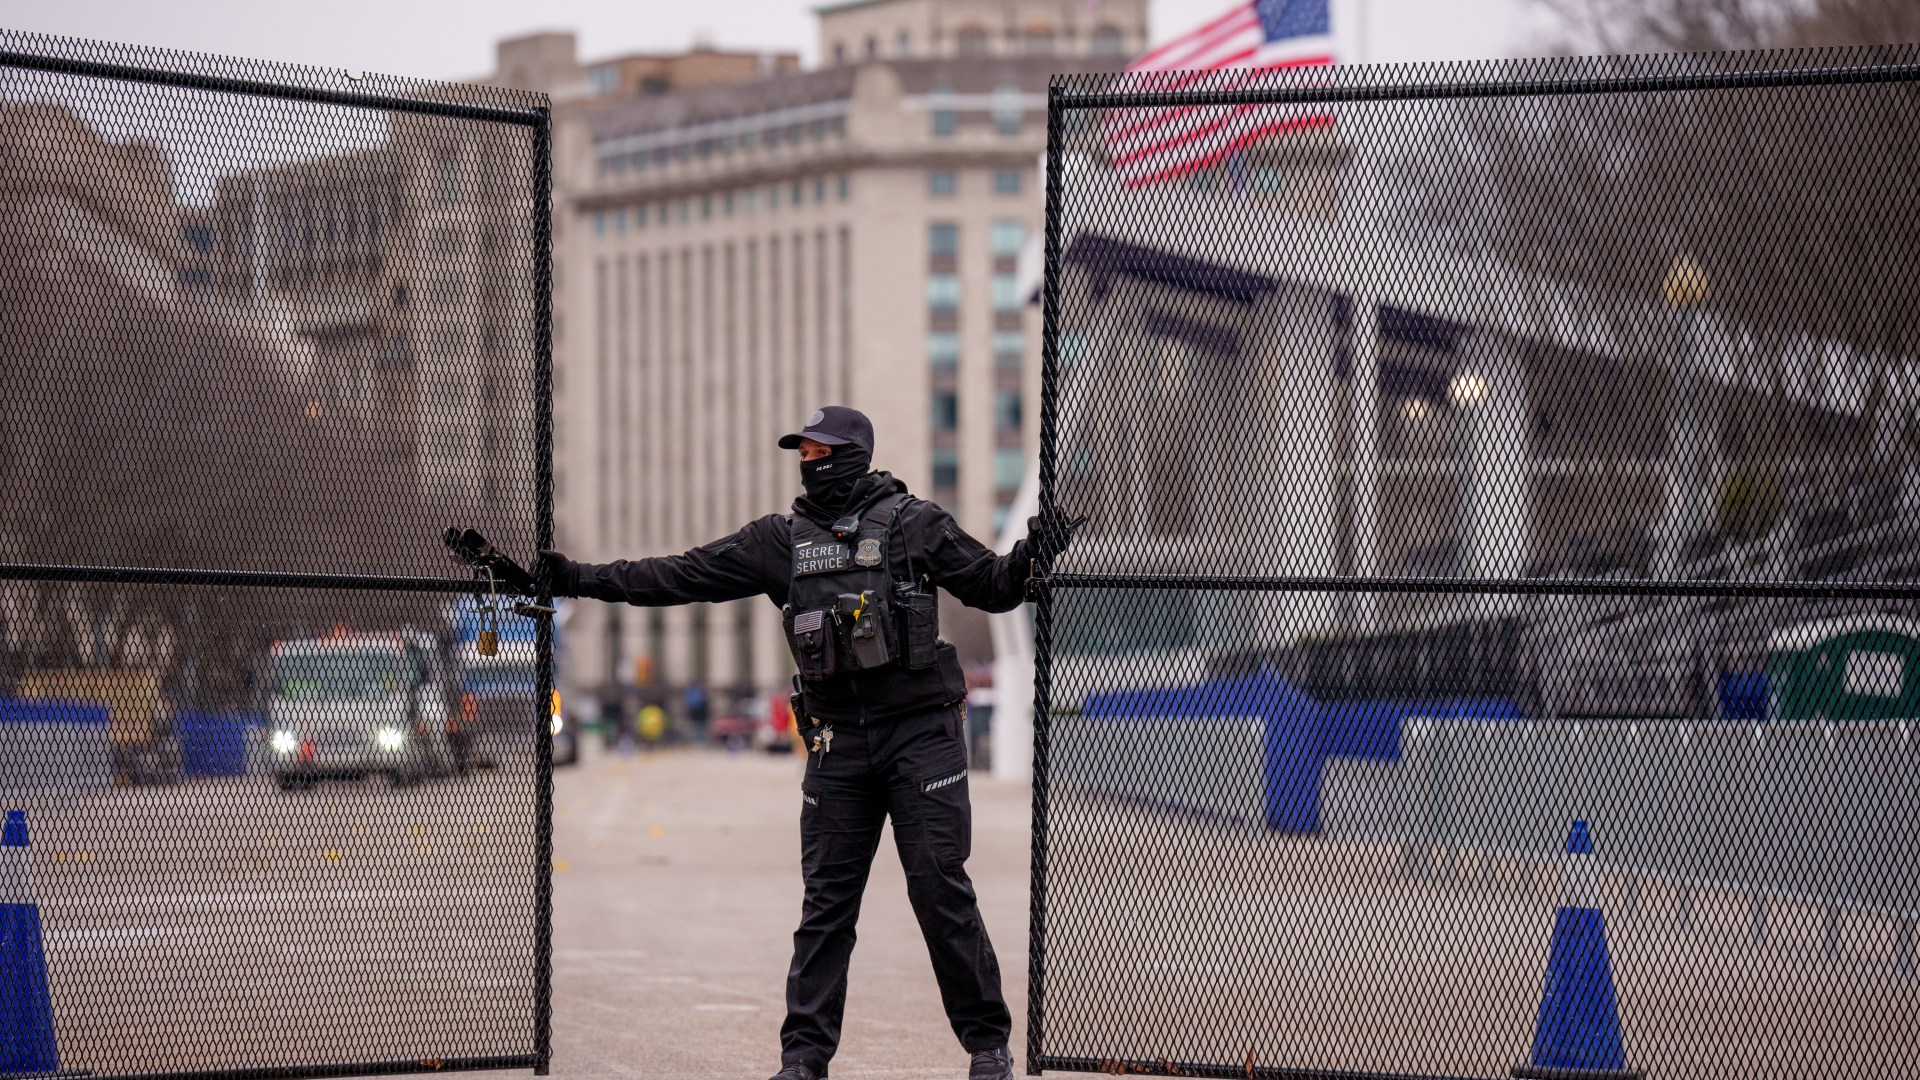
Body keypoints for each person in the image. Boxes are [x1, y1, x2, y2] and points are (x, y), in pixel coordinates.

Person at [536, 405, 1079, 1080]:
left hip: (921, 737)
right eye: (803, 455)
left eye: (821, 453)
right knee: (826, 907)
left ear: (854, 455)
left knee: (940, 889)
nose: (809, 464)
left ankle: (987, 1047)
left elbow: (994, 587)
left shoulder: (916, 523)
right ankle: (803, 1060)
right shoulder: (780, 542)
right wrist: (574, 578)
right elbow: (675, 576)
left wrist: (1035, 555)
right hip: (837, 746)